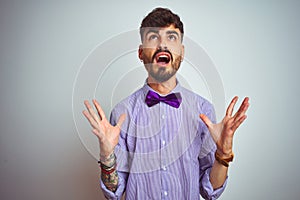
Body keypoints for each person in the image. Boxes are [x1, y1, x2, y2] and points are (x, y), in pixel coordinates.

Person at [83, 7, 249, 200]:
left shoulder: (203, 111)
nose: (163, 45)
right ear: (140, 52)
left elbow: (210, 191)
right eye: (153, 37)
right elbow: (114, 192)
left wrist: (223, 154)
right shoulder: (122, 113)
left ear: (182, 51)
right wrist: (107, 157)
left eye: (171, 37)